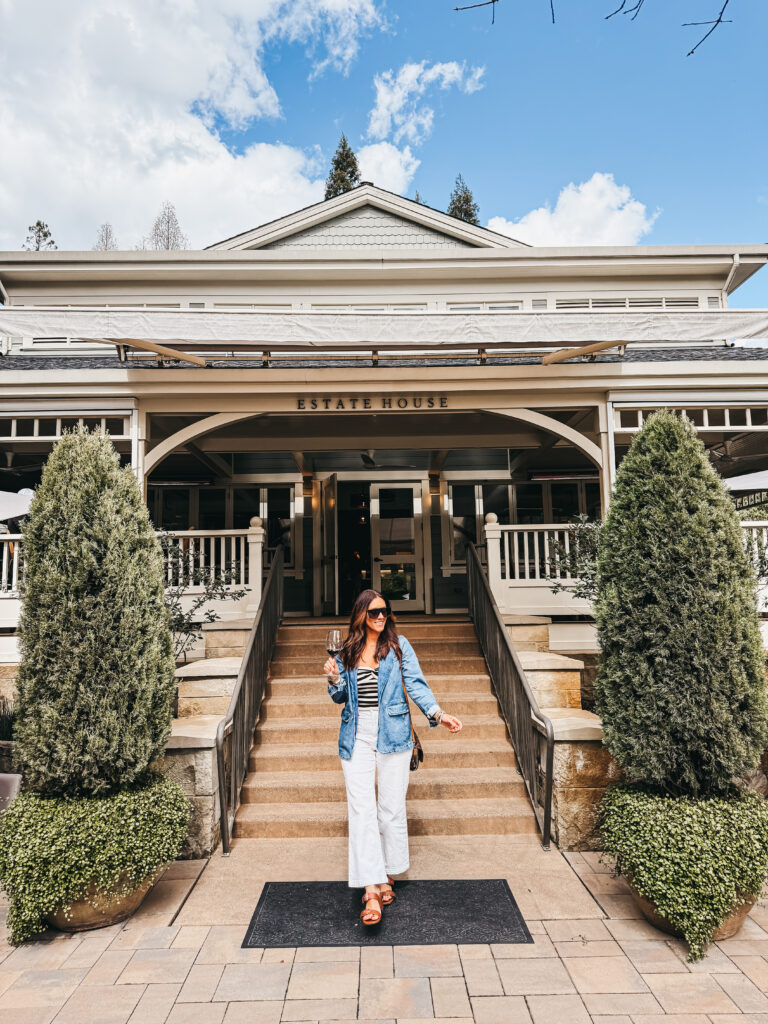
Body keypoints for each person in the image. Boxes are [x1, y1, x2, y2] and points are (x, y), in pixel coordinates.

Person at [323, 589, 463, 925]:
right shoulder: (348, 649)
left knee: (389, 809)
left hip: (394, 732)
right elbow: (341, 696)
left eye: (384, 611)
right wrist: (333, 678)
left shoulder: (399, 646)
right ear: (361, 616)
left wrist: (437, 714)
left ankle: (387, 873)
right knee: (362, 810)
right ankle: (372, 889)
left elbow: (415, 683)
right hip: (356, 734)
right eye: (373, 613)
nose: (381, 617)